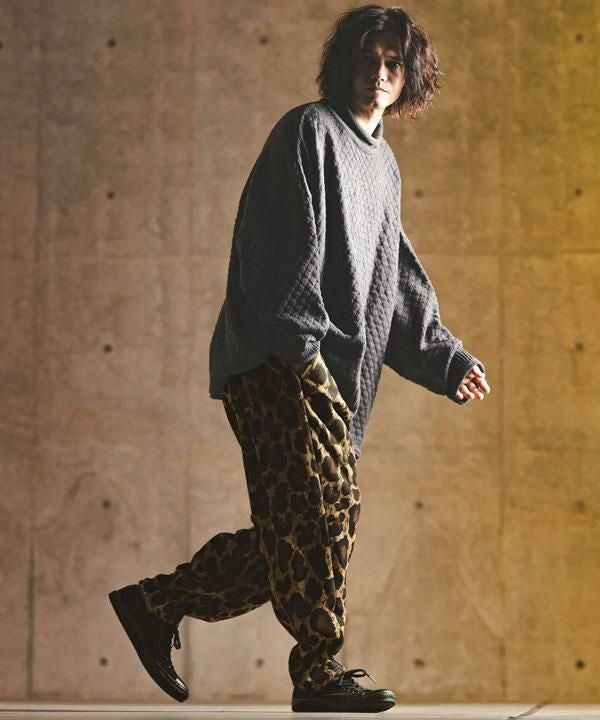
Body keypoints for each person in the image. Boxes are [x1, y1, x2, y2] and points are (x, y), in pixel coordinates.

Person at [108, 3, 491, 714]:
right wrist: (304, 354)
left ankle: (155, 602)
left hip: (318, 374)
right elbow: (278, 252)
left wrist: (446, 359)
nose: (379, 73)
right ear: (345, 62)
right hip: (276, 362)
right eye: (368, 58)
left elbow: (394, 280)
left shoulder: (382, 166)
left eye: (394, 63)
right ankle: (317, 669)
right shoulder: (308, 132)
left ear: (410, 78)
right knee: (322, 514)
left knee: (299, 530)